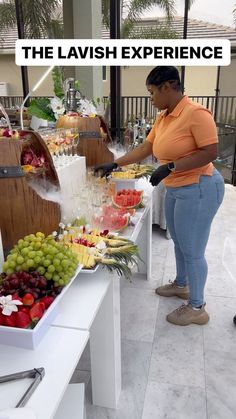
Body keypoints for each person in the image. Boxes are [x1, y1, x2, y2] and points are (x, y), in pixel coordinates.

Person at [94, 66, 225, 326]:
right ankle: (182, 284)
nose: (151, 97)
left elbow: (210, 152)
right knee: (179, 240)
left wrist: (171, 166)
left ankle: (198, 307)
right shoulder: (164, 116)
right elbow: (147, 147)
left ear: (167, 87)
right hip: (178, 188)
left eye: (152, 92)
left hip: (200, 187)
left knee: (193, 249)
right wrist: (116, 164)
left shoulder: (196, 114)